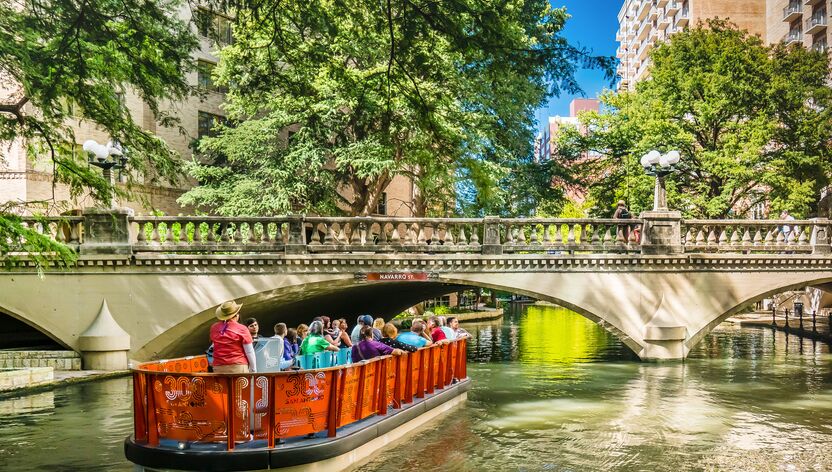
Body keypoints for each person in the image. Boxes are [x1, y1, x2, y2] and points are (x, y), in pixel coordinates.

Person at [210, 300, 256, 373]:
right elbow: (249, 351)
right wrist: (253, 369)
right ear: (237, 315)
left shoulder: (214, 328)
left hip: (218, 367)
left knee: (222, 385)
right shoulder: (242, 328)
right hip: (238, 366)